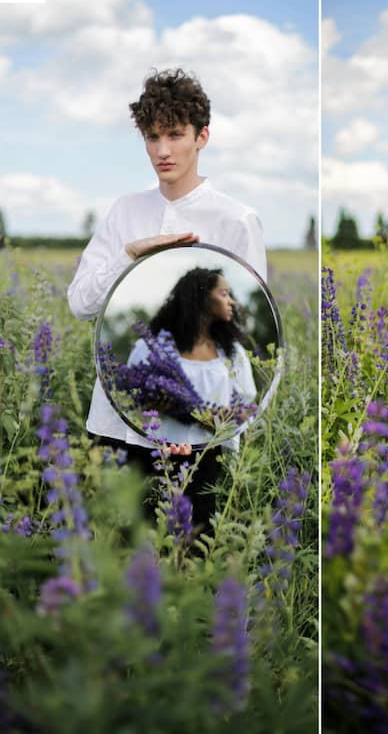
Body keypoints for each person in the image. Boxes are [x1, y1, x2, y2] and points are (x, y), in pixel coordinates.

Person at [67, 68, 267, 531]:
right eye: (152, 136)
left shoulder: (236, 219)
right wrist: (129, 255)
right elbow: (81, 305)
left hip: (202, 436)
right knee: (115, 568)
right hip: (118, 426)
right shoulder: (125, 212)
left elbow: (247, 333)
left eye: (175, 134)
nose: (162, 150)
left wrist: (215, 431)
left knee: (191, 572)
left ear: (202, 136)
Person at [124, 267, 257, 449]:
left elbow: (247, 410)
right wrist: (153, 403)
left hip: (218, 455)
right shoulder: (150, 348)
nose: (232, 302)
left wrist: (213, 416)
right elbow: (130, 405)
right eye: (224, 294)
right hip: (161, 455)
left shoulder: (232, 352)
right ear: (201, 298)